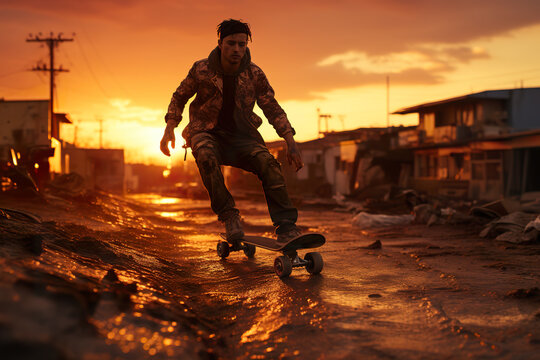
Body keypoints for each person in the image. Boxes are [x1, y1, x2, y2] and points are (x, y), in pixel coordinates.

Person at [160, 19, 303, 245]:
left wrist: (290, 142)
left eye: (242, 44)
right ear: (220, 44)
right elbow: (179, 96)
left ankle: (286, 226)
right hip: (206, 132)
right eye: (231, 44)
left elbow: (272, 108)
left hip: (242, 137)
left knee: (269, 164)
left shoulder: (254, 74)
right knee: (206, 155)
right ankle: (229, 216)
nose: (237, 49)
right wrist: (169, 128)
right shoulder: (201, 69)